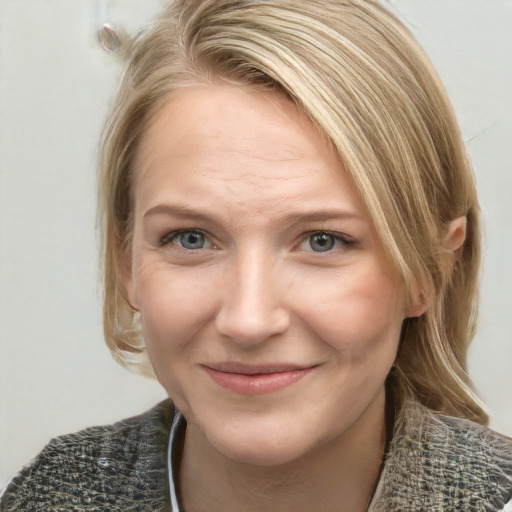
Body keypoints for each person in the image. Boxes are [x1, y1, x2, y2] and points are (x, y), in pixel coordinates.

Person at [1, 0, 511, 510]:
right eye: (191, 238)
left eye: (322, 241)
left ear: (429, 270)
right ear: (125, 260)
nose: (248, 321)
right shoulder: (46, 496)